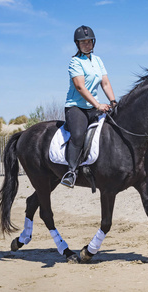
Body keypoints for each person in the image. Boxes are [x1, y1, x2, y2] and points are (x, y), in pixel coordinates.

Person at [61, 25, 116, 188]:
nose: (87, 44)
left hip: (94, 107)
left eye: (89, 41)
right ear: (77, 44)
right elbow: (80, 87)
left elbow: (105, 83)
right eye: (83, 42)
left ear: (93, 42)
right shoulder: (75, 62)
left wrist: (113, 101)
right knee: (78, 135)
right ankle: (71, 172)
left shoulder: (98, 61)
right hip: (76, 108)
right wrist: (98, 104)